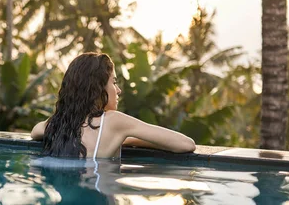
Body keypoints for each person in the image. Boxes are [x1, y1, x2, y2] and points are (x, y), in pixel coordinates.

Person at [30, 52, 196, 159]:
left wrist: (124, 139)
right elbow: (186, 144)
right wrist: (128, 138)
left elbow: (35, 131)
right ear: (97, 88)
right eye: (114, 82)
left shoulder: (57, 125)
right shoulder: (114, 121)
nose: (118, 90)